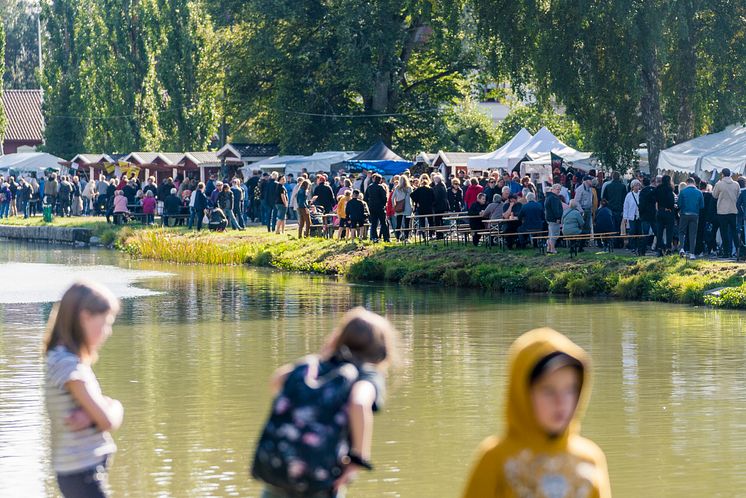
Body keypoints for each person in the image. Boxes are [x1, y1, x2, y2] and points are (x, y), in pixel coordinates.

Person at [252, 307, 398, 498]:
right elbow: (360, 403)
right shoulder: (366, 374)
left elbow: (278, 380)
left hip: (277, 467)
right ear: (381, 350)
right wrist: (358, 459)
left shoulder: (311, 365)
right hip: (319, 475)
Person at [461, 328, 611, 498]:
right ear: (521, 392)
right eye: (548, 390)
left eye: (570, 389)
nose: (561, 402)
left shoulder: (590, 459)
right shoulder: (495, 459)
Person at [44, 281, 123, 498]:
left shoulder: (64, 361)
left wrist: (94, 414)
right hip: (81, 473)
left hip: (80, 472)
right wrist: (113, 406)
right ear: (85, 317)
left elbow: (97, 411)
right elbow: (108, 420)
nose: (108, 331)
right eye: (105, 323)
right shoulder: (69, 366)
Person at [712, 168, 740, 258]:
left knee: (724, 232)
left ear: (723, 174)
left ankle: (726, 252)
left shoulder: (719, 184)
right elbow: (738, 195)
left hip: (722, 211)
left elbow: (714, 195)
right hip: (733, 210)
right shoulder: (736, 184)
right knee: (734, 231)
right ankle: (738, 250)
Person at [677, 177, 704, 259]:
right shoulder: (699, 192)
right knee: (693, 234)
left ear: (687, 182)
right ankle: (692, 253)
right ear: (694, 183)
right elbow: (702, 206)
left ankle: (681, 248)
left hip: (684, 214)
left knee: (682, 232)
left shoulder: (683, 192)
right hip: (695, 215)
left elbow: (679, 204)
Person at [364, 174, 390, 242]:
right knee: (383, 223)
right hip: (380, 207)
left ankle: (374, 237)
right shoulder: (381, 187)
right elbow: (385, 198)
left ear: (374, 179)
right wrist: (383, 205)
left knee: (374, 223)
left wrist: (369, 204)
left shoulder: (370, 187)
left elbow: (365, 197)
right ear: (380, 180)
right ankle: (386, 238)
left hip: (372, 207)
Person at [654, 175, 676, 256]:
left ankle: (659, 249)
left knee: (659, 231)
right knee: (669, 231)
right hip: (668, 212)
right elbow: (671, 202)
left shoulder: (658, 189)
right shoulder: (669, 190)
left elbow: (655, 200)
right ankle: (668, 248)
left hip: (660, 211)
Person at [623, 179, 644, 255]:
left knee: (639, 231)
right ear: (632, 186)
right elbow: (626, 207)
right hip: (631, 216)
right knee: (632, 231)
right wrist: (625, 217)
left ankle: (639, 247)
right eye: (635, 185)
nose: (637, 187)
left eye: (638, 185)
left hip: (639, 216)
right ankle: (632, 247)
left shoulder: (641, 194)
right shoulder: (629, 195)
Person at [544, 184, 563, 254]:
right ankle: (552, 249)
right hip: (554, 219)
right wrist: (558, 217)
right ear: (553, 189)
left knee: (551, 234)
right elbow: (555, 209)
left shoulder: (548, 197)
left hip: (549, 218)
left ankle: (549, 248)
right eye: (558, 189)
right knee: (554, 234)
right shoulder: (553, 198)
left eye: (559, 189)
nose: (559, 191)